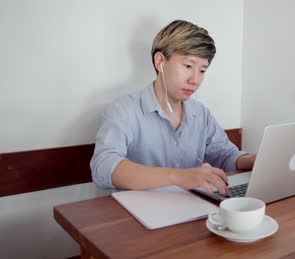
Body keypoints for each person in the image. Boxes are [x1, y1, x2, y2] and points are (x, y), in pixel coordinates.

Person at [90, 20, 255, 195]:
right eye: (188, 66)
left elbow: (226, 155)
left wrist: (256, 160)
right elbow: (103, 166)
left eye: (202, 70)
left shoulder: (200, 113)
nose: (195, 80)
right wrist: (177, 177)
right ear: (160, 61)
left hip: (191, 208)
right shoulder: (123, 110)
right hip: (138, 214)